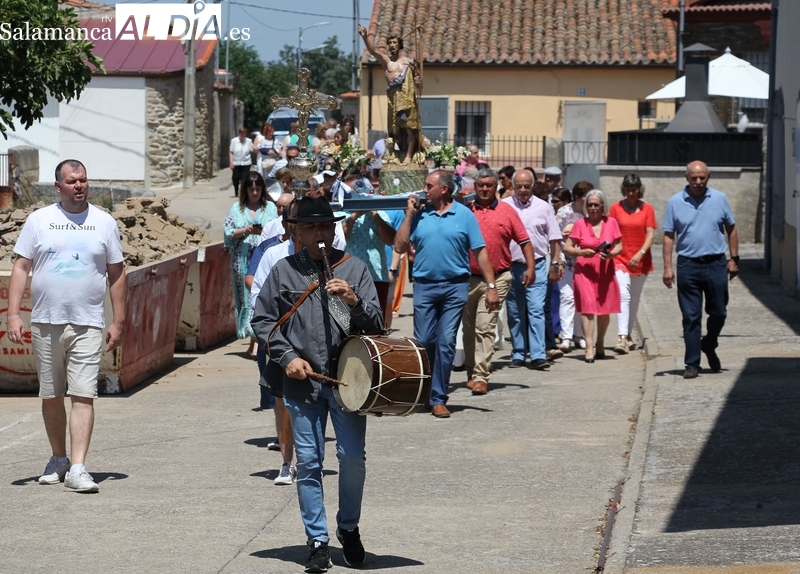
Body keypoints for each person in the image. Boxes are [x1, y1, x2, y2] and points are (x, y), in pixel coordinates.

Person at [251, 196, 384, 573]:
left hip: (348, 381)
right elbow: (262, 321)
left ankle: (349, 527)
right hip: (302, 382)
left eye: (325, 226)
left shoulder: (354, 268)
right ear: (297, 231)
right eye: (311, 227)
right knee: (308, 462)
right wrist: (287, 356)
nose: (320, 233)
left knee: (352, 457)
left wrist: (353, 300)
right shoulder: (283, 271)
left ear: (334, 228)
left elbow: (375, 325)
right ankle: (317, 539)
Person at [6, 159, 127, 493]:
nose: (79, 186)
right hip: (46, 322)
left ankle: (77, 467)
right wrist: (13, 314)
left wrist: (119, 319)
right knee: (51, 395)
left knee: (83, 394)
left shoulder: (103, 222)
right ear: (58, 187)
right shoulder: (39, 220)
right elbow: (21, 267)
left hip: (88, 323)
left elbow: (116, 272)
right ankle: (58, 458)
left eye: (84, 180)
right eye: (72, 181)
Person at [394, 170, 499, 418]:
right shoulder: (418, 215)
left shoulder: (464, 215)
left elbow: (480, 251)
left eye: (429, 185)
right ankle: (424, 391)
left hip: (455, 287)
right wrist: (409, 214)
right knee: (424, 341)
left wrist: (491, 287)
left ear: (444, 189)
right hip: (424, 286)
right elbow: (399, 246)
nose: (424, 190)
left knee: (447, 341)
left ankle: (438, 397)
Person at [663, 161, 738, 379]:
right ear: (686, 177)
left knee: (719, 312)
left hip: (715, 263)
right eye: (694, 178)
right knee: (691, 316)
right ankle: (692, 363)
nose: (698, 182)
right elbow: (669, 236)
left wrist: (734, 258)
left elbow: (731, 228)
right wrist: (668, 267)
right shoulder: (675, 202)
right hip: (688, 265)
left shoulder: (719, 198)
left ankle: (709, 344)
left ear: (708, 177)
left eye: (702, 178)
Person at [462, 169, 534, 395]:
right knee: (469, 328)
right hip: (468, 279)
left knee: (485, 326)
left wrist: (531, 267)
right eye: (481, 185)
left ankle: (482, 375)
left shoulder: (507, 211)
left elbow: (524, 241)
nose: (484, 189)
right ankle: (471, 371)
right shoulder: (465, 211)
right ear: (475, 187)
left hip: (499, 277)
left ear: (496, 187)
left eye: (489, 185)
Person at [502, 169, 563, 370]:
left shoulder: (544, 207)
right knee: (515, 311)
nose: (523, 190)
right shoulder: (504, 206)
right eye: (519, 186)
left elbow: (554, 237)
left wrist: (555, 263)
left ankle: (538, 354)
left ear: (532, 186)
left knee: (536, 309)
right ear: (513, 186)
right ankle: (519, 352)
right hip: (511, 266)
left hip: (536, 264)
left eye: (527, 186)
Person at [563, 190, 623, 362]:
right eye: (590, 205)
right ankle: (589, 347)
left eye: (596, 204)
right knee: (588, 308)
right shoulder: (580, 224)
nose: (593, 208)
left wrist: (611, 255)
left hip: (605, 270)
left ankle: (601, 342)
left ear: (602, 205)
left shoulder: (611, 222)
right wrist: (581, 251)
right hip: (585, 270)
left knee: (604, 310)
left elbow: (619, 246)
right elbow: (568, 247)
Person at [223, 171, 278, 358]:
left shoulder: (270, 207)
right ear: (245, 190)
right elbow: (228, 232)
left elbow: (277, 230)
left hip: (264, 258)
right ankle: (252, 341)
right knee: (246, 298)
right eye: (251, 189)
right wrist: (244, 230)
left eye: (258, 188)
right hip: (242, 259)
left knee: (261, 296)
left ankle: (258, 342)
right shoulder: (235, 209)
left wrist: (263, 232)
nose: (254, 192)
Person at [359, 25, 422, 164]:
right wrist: (364, 37)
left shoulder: (408, 61)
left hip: (407, 99)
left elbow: (418, 82)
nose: (393, 45)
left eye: (395, 43)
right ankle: (395, 153)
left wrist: (416, 73)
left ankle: (408, 155)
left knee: (410, 129)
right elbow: (372, 51)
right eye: (391, 43)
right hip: (394, 99)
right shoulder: (386, 61)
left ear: (400, 45)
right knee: (395, 131)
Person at [608, 174, 657, 354]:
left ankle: (628, 335)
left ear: (639, 190)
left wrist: (640, 253)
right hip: (620, 257)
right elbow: (610, 231)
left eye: (634, 190)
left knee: (634, 298)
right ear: (623, 190)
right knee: (623, 295)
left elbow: (650, 235)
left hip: (641, 259)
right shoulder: (615, 208)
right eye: (628, 190)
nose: (631, 194)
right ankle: (621, 337)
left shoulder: (647, 209)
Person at [341, 173, 396, 311]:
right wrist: (354, 216)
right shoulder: (341, 213)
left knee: (376, 323)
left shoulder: (380, 213)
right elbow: (339, 237)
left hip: (376, 276)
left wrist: (374, 214)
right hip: (347, 278)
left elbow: (390, 240)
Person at [557, 181, 592, 351]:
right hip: (567, 261)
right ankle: (566, 337)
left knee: (582, 300)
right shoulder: (564, 212)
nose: (589, 203)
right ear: (577, 197)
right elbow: (556, 237)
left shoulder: (592, 212)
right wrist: (558, 260)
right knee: (567, 298)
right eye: (585, 199)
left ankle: (579, 335)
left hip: (586, 263)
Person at [229, 127, 253, 197]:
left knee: (244, 178)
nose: (243, 136)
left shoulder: (249, 141)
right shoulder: (234, 141)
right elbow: (231, 152)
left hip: (246, 162)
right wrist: (231, 162)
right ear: (239, 134)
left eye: (244, 134)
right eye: (241, 134)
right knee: (235, 178)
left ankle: (243, 192)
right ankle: (236, 190)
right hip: (236, 162)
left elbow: (252, 149)